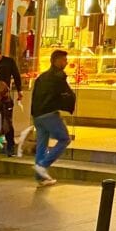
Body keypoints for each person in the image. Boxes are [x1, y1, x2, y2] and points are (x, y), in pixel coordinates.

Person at [31, 49, 76, 186]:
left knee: (42, 145)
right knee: (64, 139)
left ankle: (41, 178)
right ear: (56, 61)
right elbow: (65, 94)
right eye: (63, 60)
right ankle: (43, 166)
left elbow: (35, 95)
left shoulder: (42, 77)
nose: (66, 62)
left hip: (38, 114)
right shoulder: (58, 77)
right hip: (49, 113)